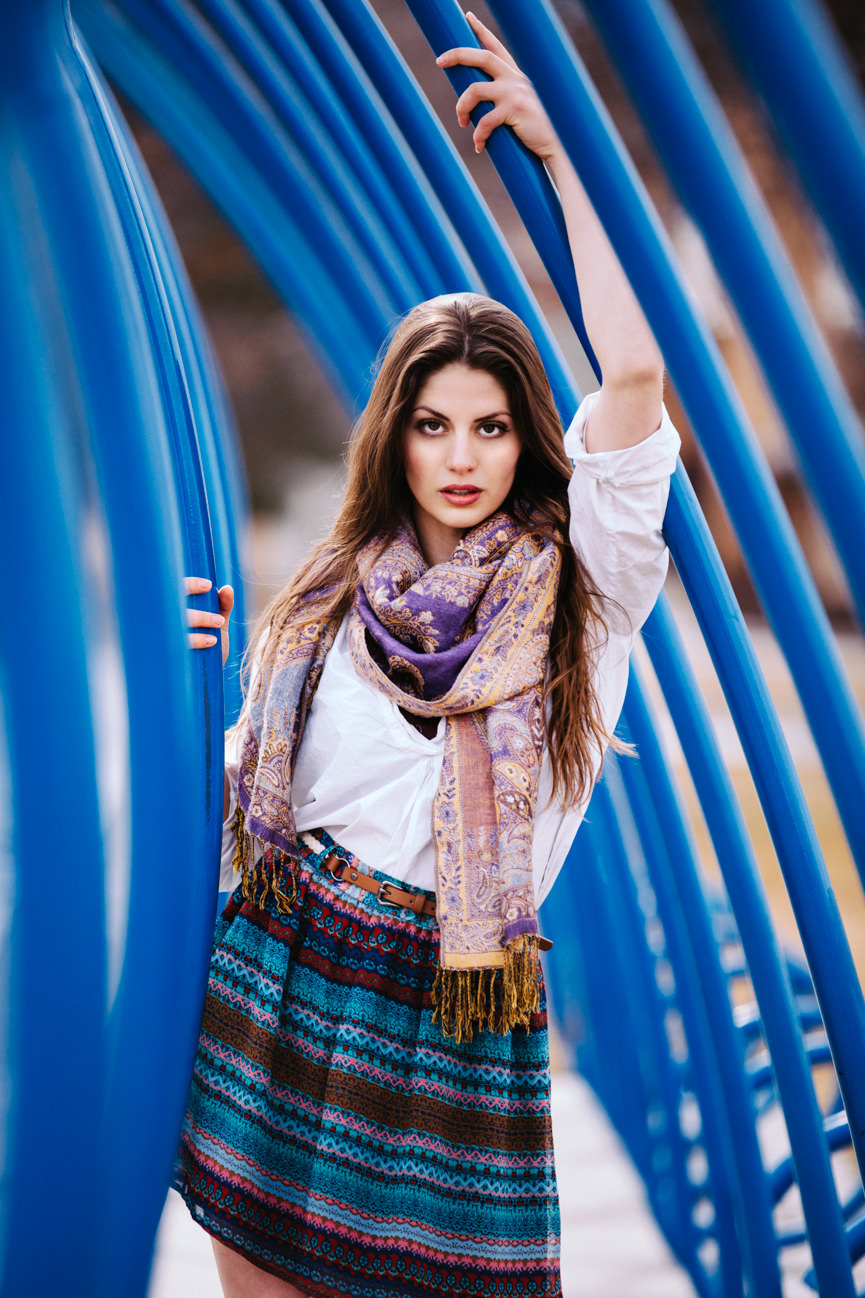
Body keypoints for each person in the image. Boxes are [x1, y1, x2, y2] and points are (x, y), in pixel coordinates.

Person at [179, 14, 679, 1298]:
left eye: (493, 425)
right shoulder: (326, 610)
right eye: (433, 423)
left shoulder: (581, 593)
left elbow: (632, 375)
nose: (461, 455)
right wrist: (185, 672)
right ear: (393, 438)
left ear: (527, 442)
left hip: (450, 1028)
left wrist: (565, 159)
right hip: (281, 988)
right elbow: (243, 809)